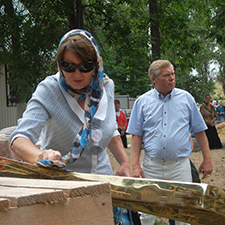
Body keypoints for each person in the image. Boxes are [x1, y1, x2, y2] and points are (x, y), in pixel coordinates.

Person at [8, 29, 131, 176]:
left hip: (103, 178)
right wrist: (39, 156)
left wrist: (124, 162)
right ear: (60, 65)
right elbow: (19, 139)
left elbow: (109, 129)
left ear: (96, 65)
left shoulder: (106, 86)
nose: (77, 74)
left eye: (85, 66)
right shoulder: (49, 89)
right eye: (69, 67)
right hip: (62, 182)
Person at [127, 60, 213, 225]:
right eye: (167, 75)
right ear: (154, 79)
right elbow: (136, 135)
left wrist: (207, 159)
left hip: (179, 166)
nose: (172, 78)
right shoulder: (142, 102)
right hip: (151, 166)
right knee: (146, 212)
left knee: (183, 212)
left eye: (173, 74)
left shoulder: (186, 98)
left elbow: (200, 131)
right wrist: (136, 165)